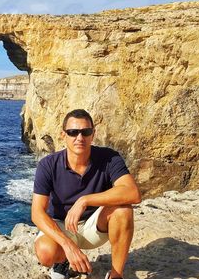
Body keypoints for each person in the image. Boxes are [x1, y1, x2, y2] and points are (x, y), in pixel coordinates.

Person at [31, 109, 141, 279]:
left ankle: (116, 275)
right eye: (73, 132)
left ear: (93, 134)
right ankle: (63, 262)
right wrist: (68, 245)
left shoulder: (109, 158)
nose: (79, 138)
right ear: (63, 135)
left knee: (123, 211)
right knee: (46, 253)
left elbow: (133, 193)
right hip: (62, 225)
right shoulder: (48, 165)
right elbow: (37, 213)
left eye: (85, 132)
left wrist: (85, 200)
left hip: (94, 226)